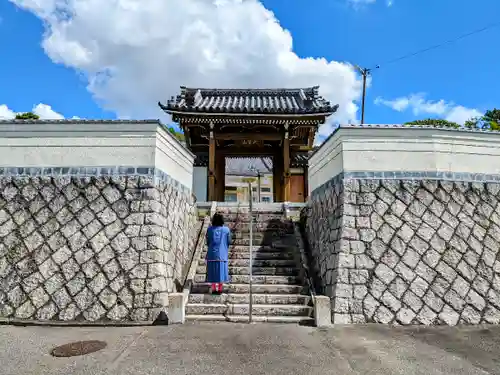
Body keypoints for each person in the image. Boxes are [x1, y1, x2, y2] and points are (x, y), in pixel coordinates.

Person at [206, 212, 231, 295]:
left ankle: (213, 289)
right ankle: (219, 289)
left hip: (212, 253)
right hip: (222, 254)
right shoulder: (226, 230)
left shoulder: (209, 229)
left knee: (212, 271)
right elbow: (229, 241)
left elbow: (208, 241)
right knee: (221, 271)